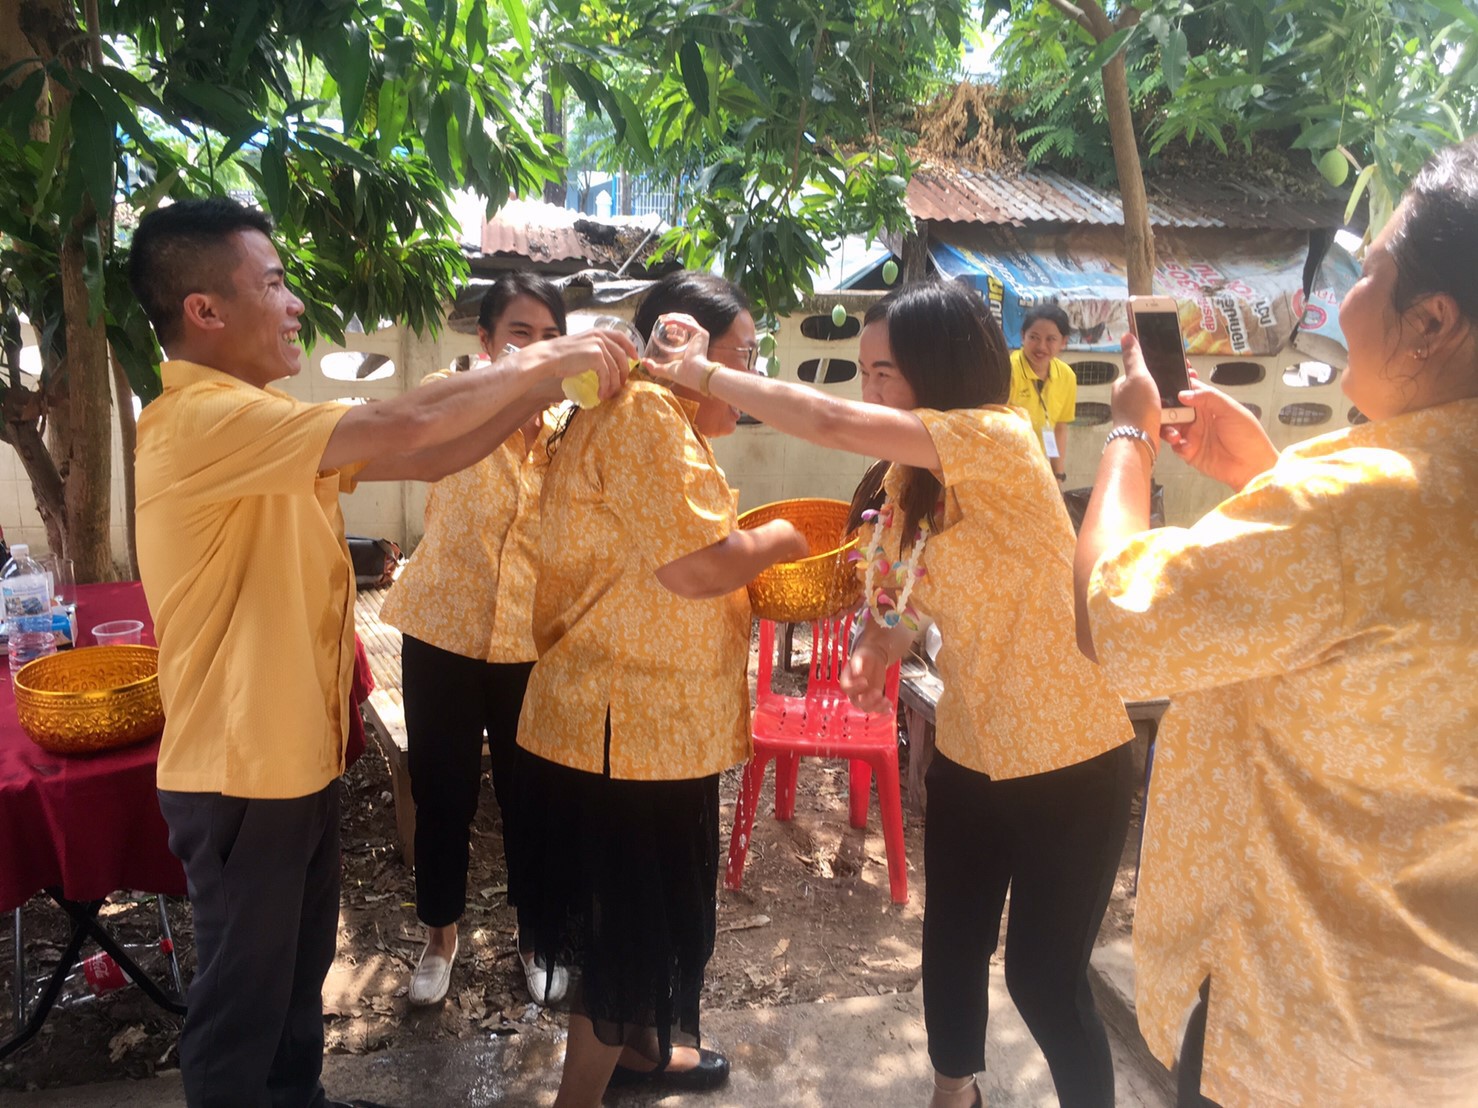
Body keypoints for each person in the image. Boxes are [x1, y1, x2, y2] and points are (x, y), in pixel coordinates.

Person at [128, 197, 632, 1108]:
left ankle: (299, 1099)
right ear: (204, 310)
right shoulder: (197, 423)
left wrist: (539, 386)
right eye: (274, 284)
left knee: (295, 971)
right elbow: (406, 422)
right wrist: (548, 358)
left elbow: (434, 454)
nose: (292, 306)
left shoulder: (259, 418)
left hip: (293, 758)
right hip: (242, 766)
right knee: (242, 1001)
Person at [648, 280, 1135, 1108]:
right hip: (974, 749)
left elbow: (830, 423)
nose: (865, 392)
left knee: (1045, 983)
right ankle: (956, 1096)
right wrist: (878, 646)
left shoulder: (998, 436)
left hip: (1073, 758)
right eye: (865, 373)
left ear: (936, 371)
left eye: (883, 373)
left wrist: (705, 372)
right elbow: (907, 604)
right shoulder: (908, 485)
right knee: (949, 947)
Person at [1072, 135, 1478, 1107]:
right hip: (1433, 1039)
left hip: (1289, 1029)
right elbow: (1379, 630)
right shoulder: (1385, 499)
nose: (1340, 299)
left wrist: (1127, 433)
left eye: (1365, 269)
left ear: (1430, 321)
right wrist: (1269, 480)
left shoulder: (1352, 500)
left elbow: (1112, 620)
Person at [509, 271, 806, 1107]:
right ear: (686, 349)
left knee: (641, 916)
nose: (745, 384)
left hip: (644, 727)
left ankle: (642, 1053)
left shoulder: (645, 415)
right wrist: (780, 538)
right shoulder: (643, 414)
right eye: (741, 359)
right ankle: (579, 1099)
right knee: (622, 929)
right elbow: (698, 567)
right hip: (623, 729)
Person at [379, 272, 571, 1008]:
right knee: (443, 793)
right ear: (485, 342)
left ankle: (535, 935)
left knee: (533, 798)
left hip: (531, 642)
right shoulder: (450, 396)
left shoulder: (571, 429)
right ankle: (439, 938)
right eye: (519, 334)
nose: (537, 351)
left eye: (552, 337)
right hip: (443, 631)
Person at [1008, 302, 1077, 482]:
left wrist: (1058, 476)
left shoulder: (1067, 376)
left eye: (1051, 339)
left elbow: (1060, 427)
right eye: (1034, 337)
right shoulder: (1007, 372)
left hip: (1038, 469)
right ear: (1023, 336)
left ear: (1063, 342)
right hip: (1006, 469)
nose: (1041, 347)